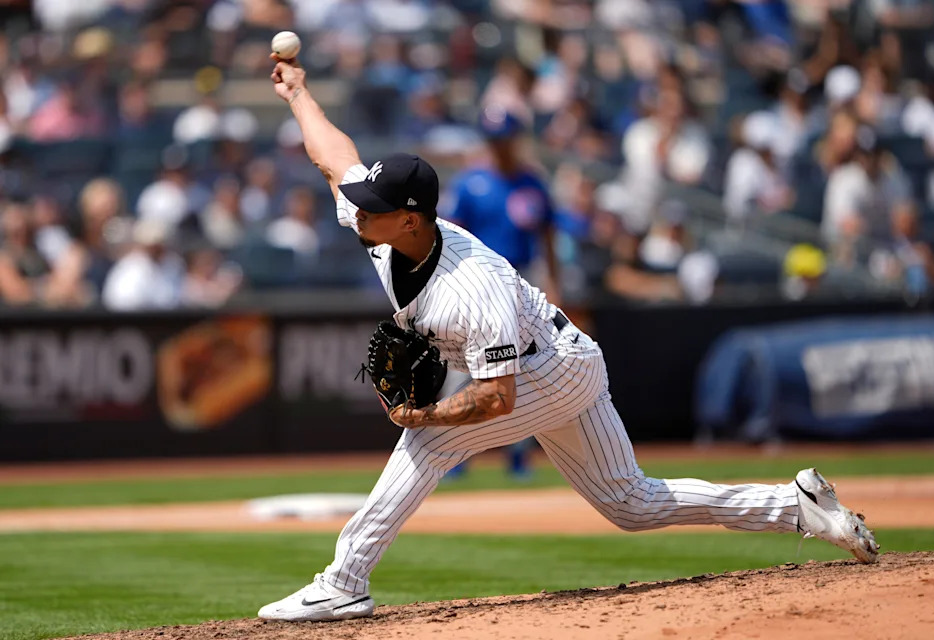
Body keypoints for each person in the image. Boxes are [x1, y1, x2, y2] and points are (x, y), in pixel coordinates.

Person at [258, 51, 880, 624]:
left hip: (546, 369)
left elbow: (497, 399)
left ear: (412, 217)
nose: (357, 210)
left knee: (427, 445)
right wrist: (298, 95)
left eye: (373, 205)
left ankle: (344, 581)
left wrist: (425, 412)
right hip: (564, 358)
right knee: (631, 504)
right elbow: (332, 156)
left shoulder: (473, 290)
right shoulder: (384, 229)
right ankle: (798, 506)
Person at [439, 105, 563, 479]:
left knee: (525, 370)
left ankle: (519, 455)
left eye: (505, 139)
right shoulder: (470, 182)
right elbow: (448, 237)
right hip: (475, 283)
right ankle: (452, 452)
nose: (500, 146)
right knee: (463, 368)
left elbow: (548, 237)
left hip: (521, 283)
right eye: (494, 139)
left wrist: (554, 283)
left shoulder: (532, 183)